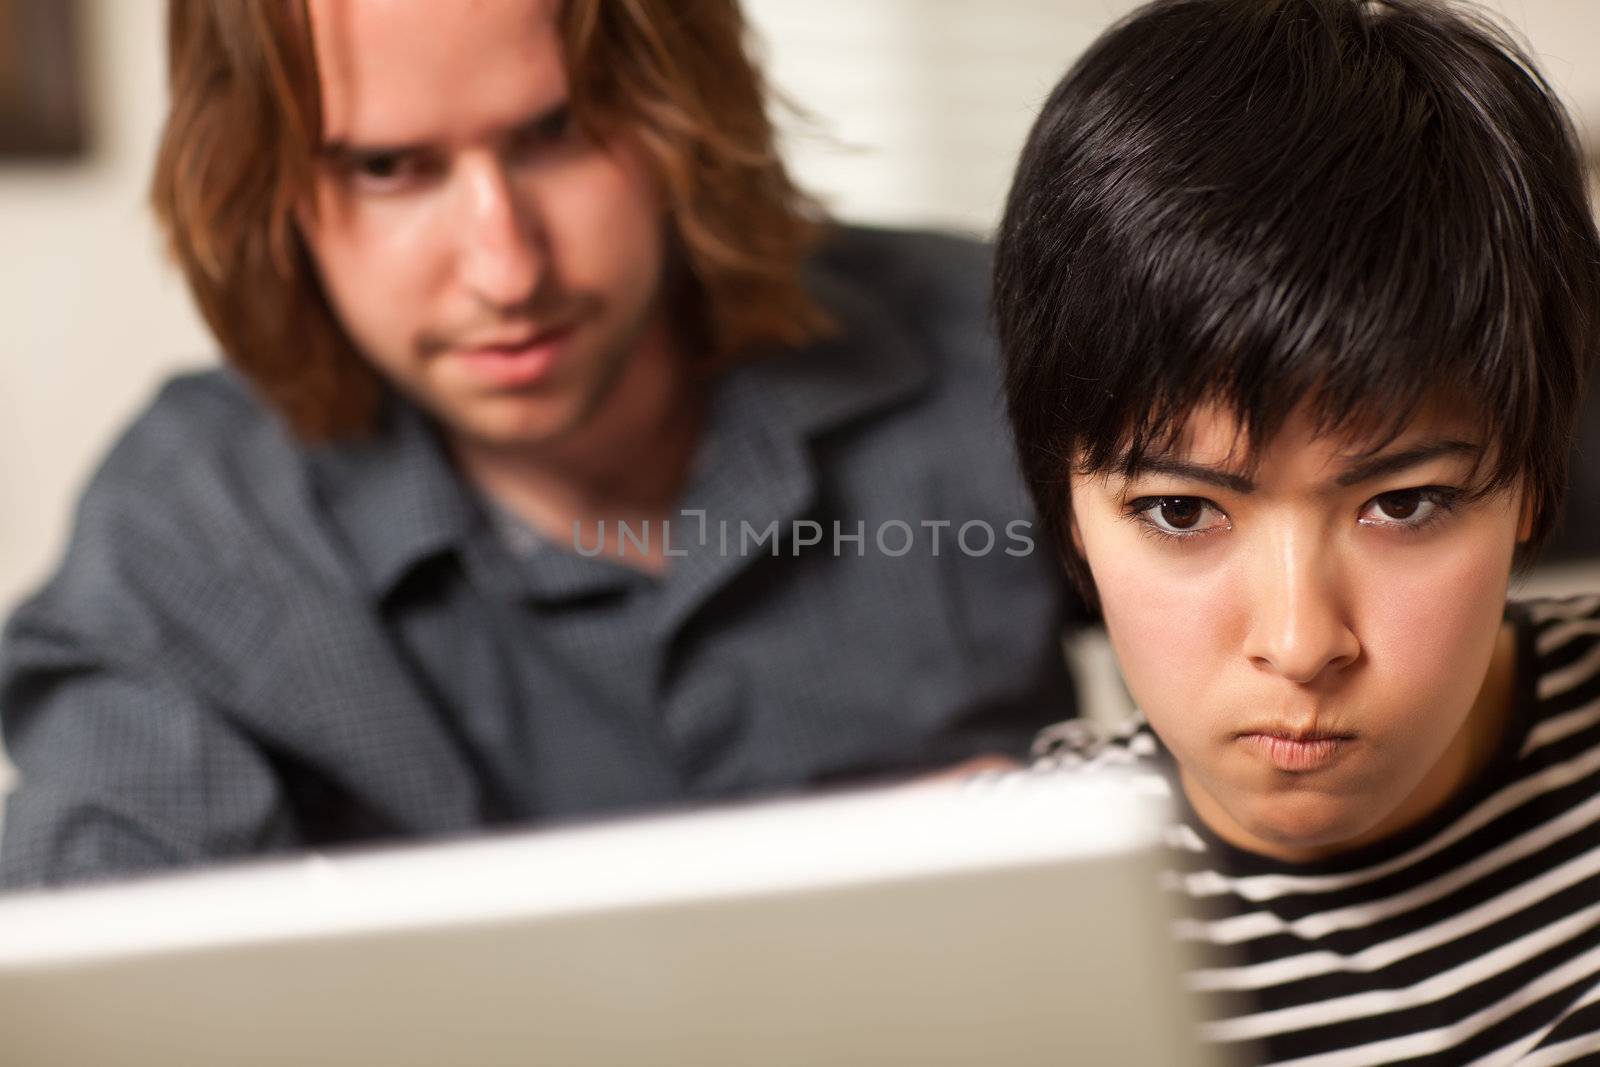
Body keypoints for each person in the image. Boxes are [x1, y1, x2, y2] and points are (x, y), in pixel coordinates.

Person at [0, 0, 1078, 890]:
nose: (506, 270)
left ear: (681, 115)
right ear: (261, 184)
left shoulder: (992, 339)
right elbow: (98, 973)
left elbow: (1248, 722)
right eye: (387, 167)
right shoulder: (194, 523)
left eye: (557, 133)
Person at [991, 0, 1600, 1061]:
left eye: (1402, 503)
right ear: (1068, 509)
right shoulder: (998, 899)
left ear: (1531, 491)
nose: (1301, 639)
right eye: (1180, 510)